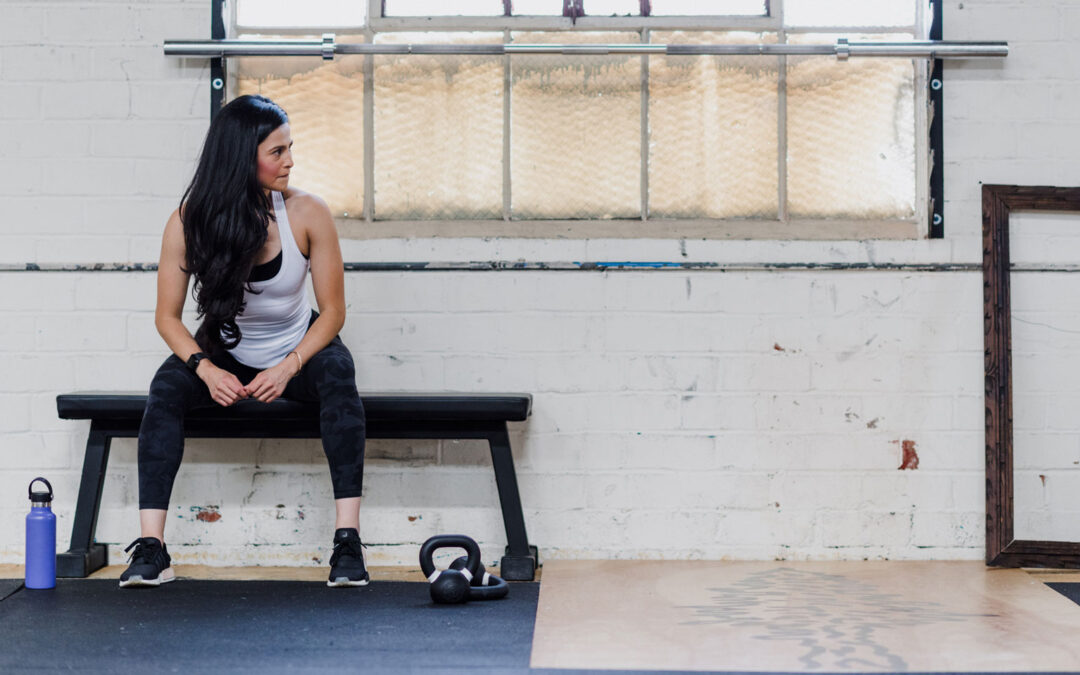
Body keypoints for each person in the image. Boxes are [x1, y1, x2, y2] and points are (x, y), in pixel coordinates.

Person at [120, 95, 369, 589]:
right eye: (277, 151)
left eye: (290, 148)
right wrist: (205, 369)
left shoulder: (306, 213)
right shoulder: (189, 220)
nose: (290, 161)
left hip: (298, 348)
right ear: (241, 156)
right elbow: (167, 318)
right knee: (165, 390)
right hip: (223, 353)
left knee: (340, 376)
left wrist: (290, 366)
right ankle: (152, 549)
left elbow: (335, 313)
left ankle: (347, 542)